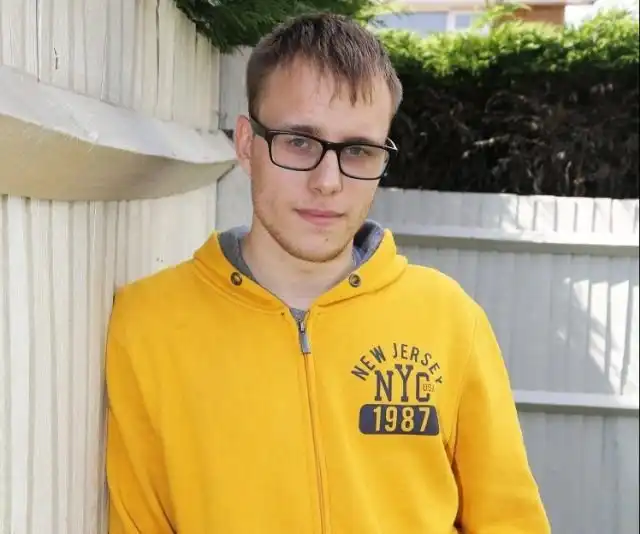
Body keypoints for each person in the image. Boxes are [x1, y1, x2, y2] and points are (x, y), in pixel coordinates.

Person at [105, 12, 551, 534]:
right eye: (299, 141)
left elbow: (510, 522)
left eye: (358, 151)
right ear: (247, 144)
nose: (328, 181)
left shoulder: (449, 319)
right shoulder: (150, 324)